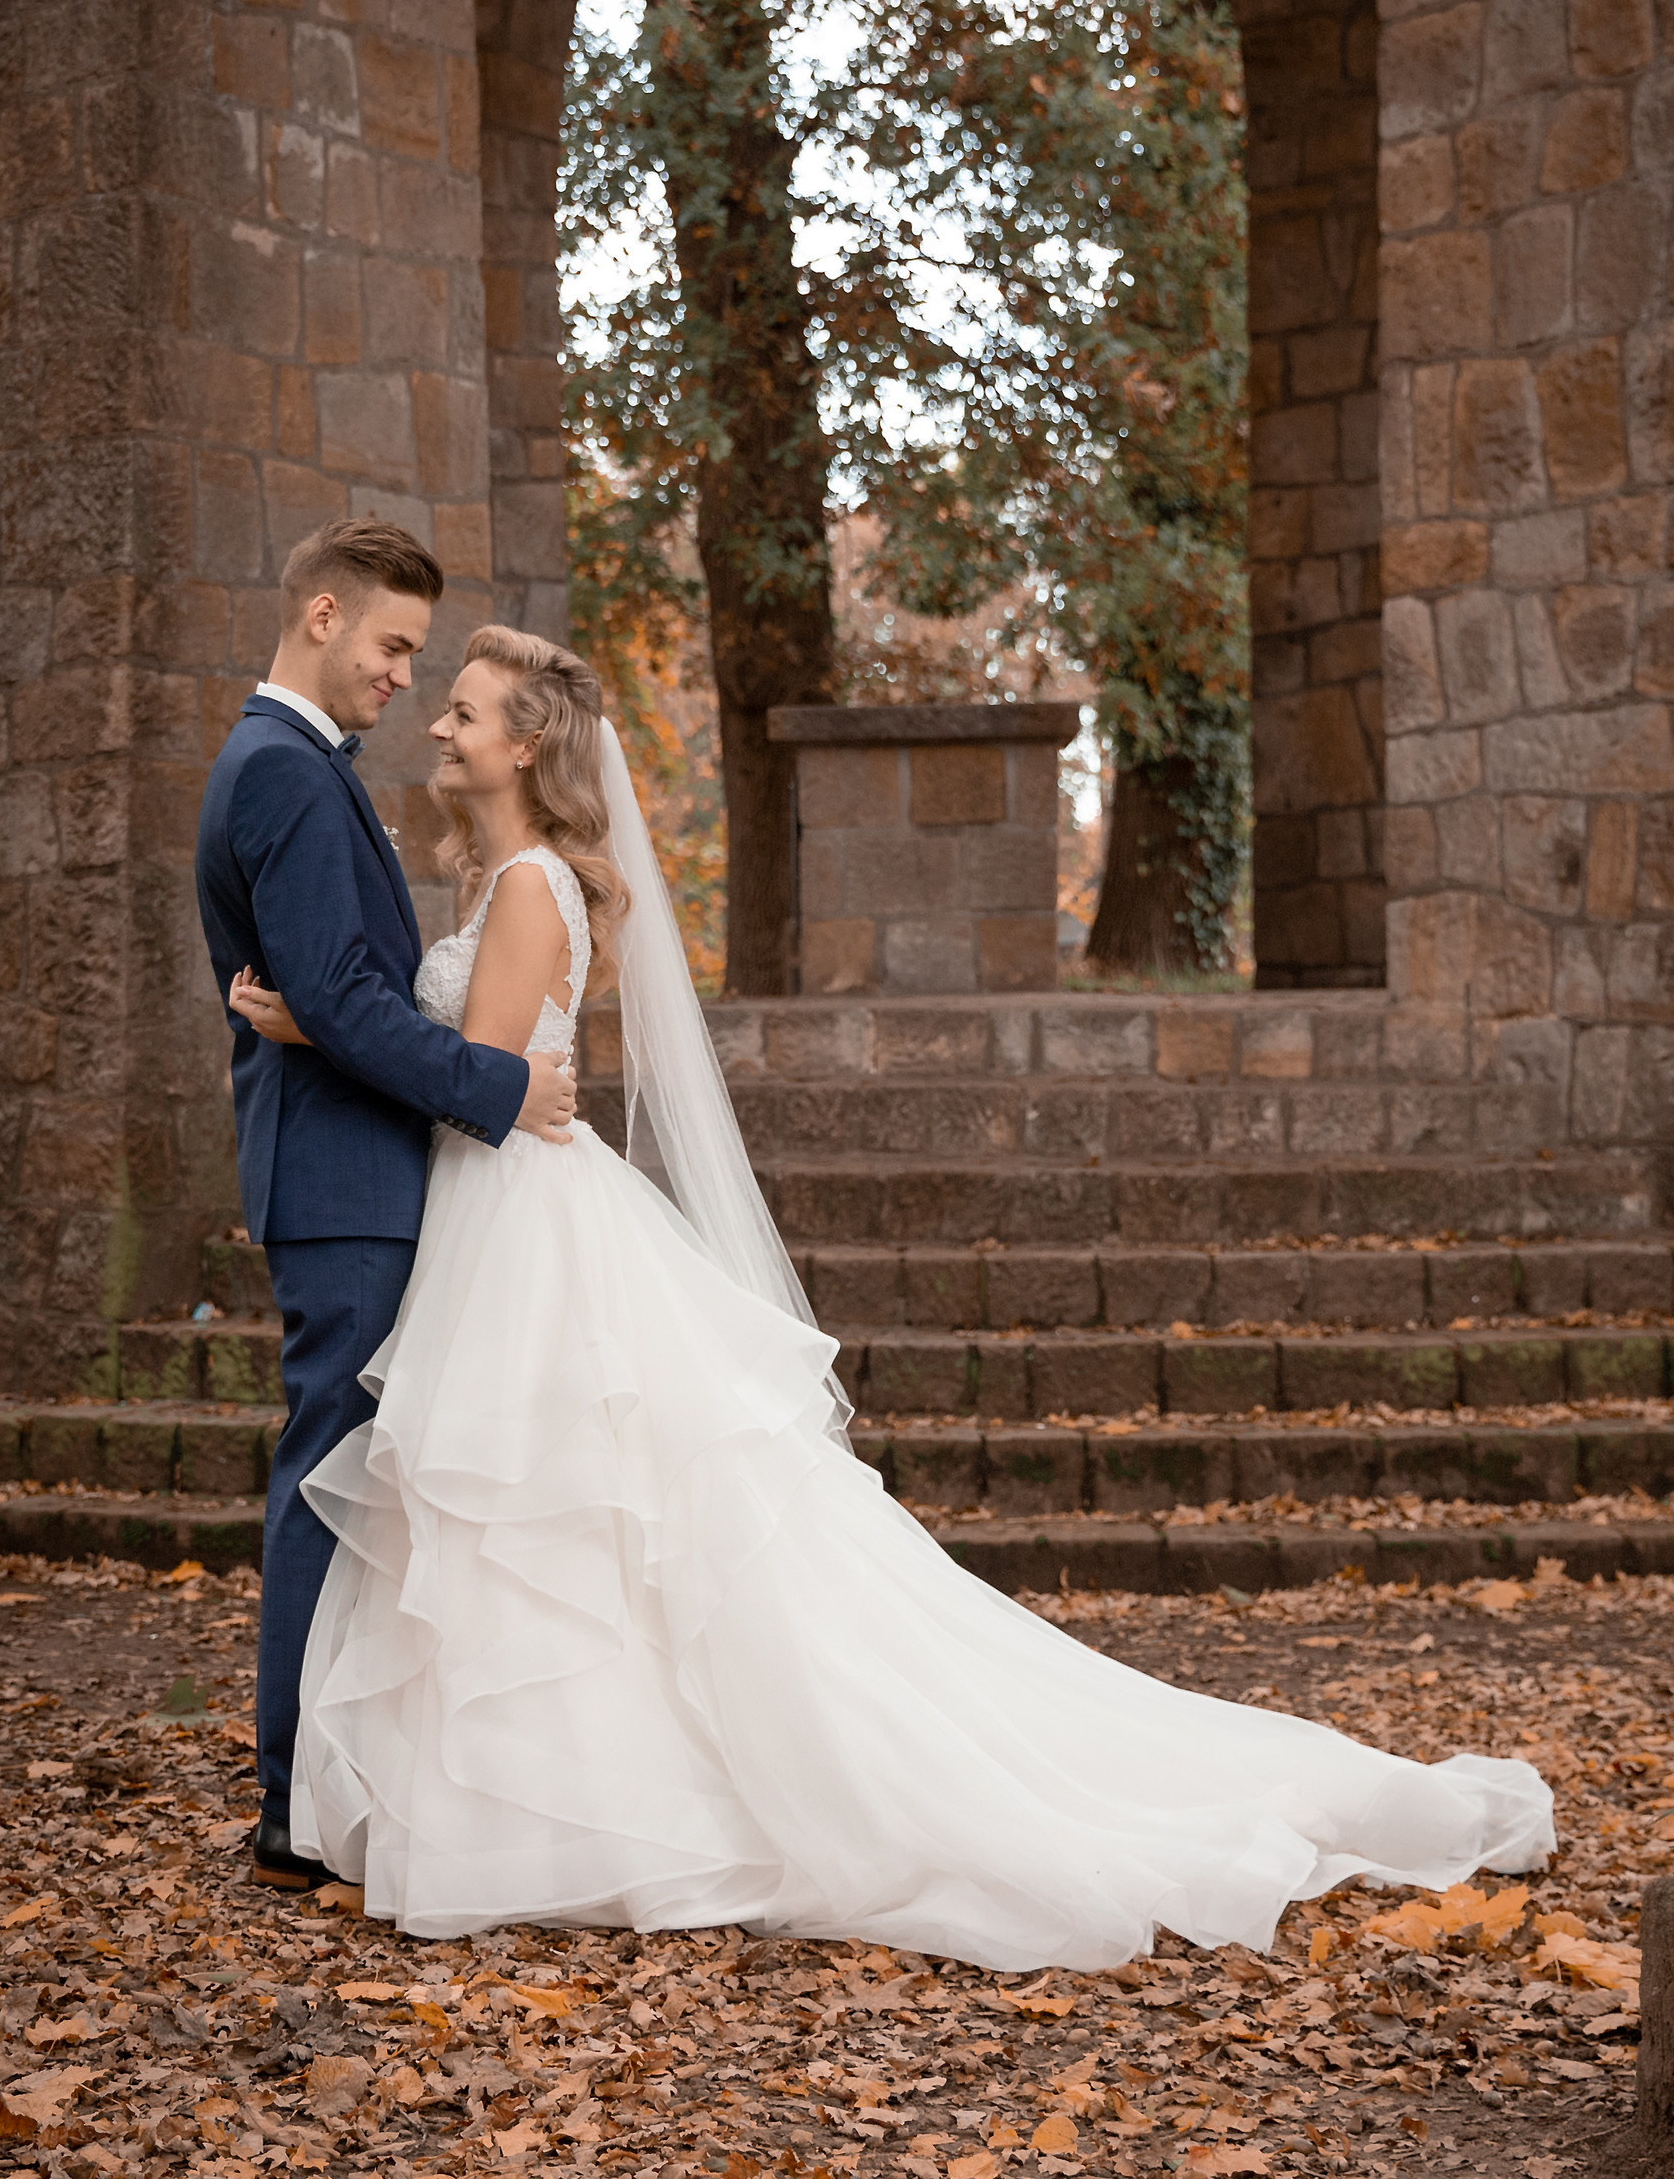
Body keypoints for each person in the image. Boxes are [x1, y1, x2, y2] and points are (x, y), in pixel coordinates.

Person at [228, 623, 1555, 1969]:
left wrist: (308, 1023)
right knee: (554, 1525)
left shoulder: (524, 891)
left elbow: (480, 1083)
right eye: (443, 707)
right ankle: (533, 1790)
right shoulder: (509, 880)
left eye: (464, 712)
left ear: (525, 743)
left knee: (556, 1514)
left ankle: (580, 1805)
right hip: (505, 1218)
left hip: (516, 1220)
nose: (440, 729)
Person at [194, 522, 580, 1896]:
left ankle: (345, 1781)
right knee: (331, 1484)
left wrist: (327, 1020)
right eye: (393, 648)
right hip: (348, 1185)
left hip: (356, 1171)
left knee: (360, 1485)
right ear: (319, 615)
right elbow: (349, 1003)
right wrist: (489, 1081)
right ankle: (297, 1803)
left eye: (422, 659)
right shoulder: (289, 776)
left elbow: (334, 999)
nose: (404, 681)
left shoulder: (290, 768)